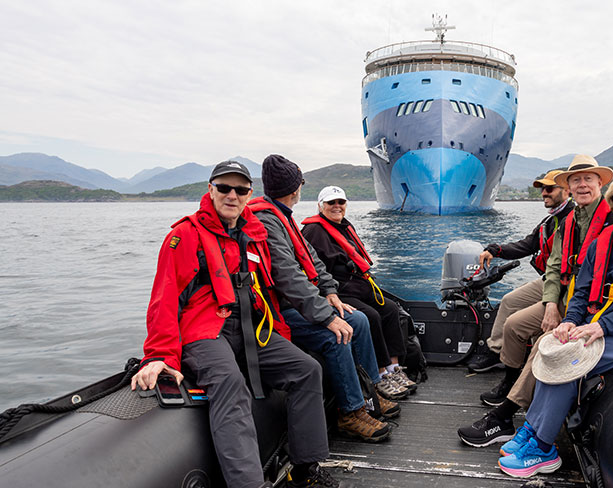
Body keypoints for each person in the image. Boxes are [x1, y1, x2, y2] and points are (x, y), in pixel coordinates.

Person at [131, 161, 337, 488]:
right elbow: (165, 299)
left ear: (249, 194)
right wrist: (160, 355)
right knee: (229, 383)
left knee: (307, 369)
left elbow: (269, 289)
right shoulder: (184, 236)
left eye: (240, 190)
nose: (232, 195)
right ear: (210, 190)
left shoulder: (253, 236)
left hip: (250, 329)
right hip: (205, 332)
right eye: (224, 188)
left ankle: (304, 468)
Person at [497, 170, 613, 478]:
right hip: (599, 321)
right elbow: (582, 290)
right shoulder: (604, 242)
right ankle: (533, 429)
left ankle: (544, 448)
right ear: (612, 204)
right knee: (557, 347)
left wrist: (601, 328)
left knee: (571, 361)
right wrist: (570, 321)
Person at [250, 155, 397, 444]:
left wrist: (330, 292)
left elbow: (312, 260)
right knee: (338, 335)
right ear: (295, 189)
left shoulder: (283, 217)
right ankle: (350, 413)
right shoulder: (268, 221)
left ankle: (371, 393)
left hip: (300, 302)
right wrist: (327, 317)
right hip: (278, 310)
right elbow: (287, 277)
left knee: (359, 319)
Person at [301, 186, 416, 399]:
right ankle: (380, 374)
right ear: (320, 206)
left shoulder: (344, 227)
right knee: (370, 317)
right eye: (331, 203)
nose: (337, 206)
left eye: (340, 202)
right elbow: (314, 268)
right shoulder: (313, 232)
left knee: (390, 309)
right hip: (338, 290)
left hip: (357, 285)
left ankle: (393, 368)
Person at [466, 170, 575, 373]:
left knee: (518, 321)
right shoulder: (550, 221)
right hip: (550, 281)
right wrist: (496, 250)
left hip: (567, 285)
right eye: (542, 189)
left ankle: (514, 366)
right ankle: (497, 351)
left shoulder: (574, 219)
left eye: (549, 188)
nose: (544, 193)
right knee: (509, 301)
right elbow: (527, 245)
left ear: (566, 190)